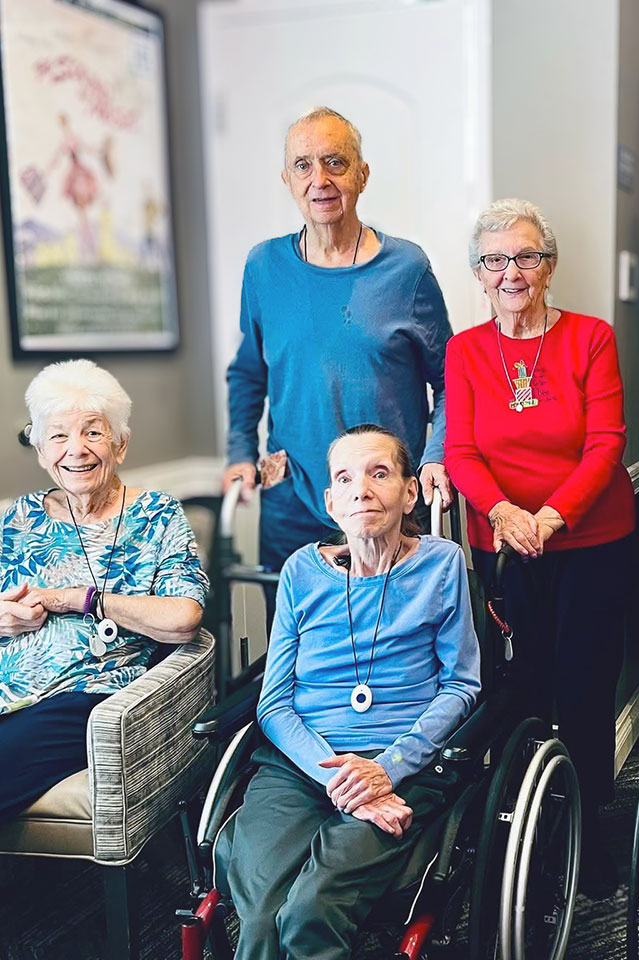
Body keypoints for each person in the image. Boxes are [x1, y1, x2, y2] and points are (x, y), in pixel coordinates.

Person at [224, 424, 480, 960]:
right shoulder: (301, 571)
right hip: (301, 765)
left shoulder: (442, 563)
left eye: (379, 473)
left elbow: (461, 685)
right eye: (345, 477)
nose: (361, 489)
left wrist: (387, 769)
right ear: (330, 501)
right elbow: (273, 703)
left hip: (405, 767)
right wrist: (342, 775)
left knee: (309, 910)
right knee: (261, 914)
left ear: (410, 492)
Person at [444, 197, 635, 896]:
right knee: (524, 688)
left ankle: (583, 837)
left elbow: (606, 444)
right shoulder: (465, 350)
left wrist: (549, 517)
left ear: (549, 266)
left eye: (525, 256)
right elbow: (461, 451)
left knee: (583, 691)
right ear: (480, 274)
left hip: (591, 542)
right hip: (504, 543)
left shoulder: (589, 337)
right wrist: (502, 512)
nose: (511, 272)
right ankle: (525, 828)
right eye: (495, 260)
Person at [224, 106, 453, 580]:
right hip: (293, 495)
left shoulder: (406, 268)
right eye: (303, 165)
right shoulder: (264, 267)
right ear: (286, 179)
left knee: (388, 643)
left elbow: (451, 380)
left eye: (336, 162)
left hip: (384, 497)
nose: (319, 180)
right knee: (296, 638)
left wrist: (435, 457)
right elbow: (249, 372)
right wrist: (241, 452)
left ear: (362, 174)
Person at [0, 359, 209, 822]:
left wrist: (82, 599)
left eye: (93, 432)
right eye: (57, 436)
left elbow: (184, 618)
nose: (75, 450)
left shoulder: (157, 515)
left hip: (86, 695)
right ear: (39, 449)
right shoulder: (18, 519)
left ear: (121, 443)